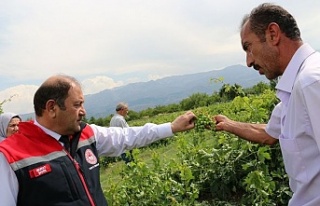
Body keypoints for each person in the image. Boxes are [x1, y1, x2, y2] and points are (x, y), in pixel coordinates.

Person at [0, 74, 196, 206]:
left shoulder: (87, 135)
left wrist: (171, 127)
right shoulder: (9, 157)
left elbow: (127, 137)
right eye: (77, 105)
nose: (83, 111)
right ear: (52, 108)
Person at [214, 3, 320, 206]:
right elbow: (269, 134)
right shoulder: (294, 89)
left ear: (273, 34)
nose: (248, 61)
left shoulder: (311, 83)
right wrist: (227, 124)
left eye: (248, 48)